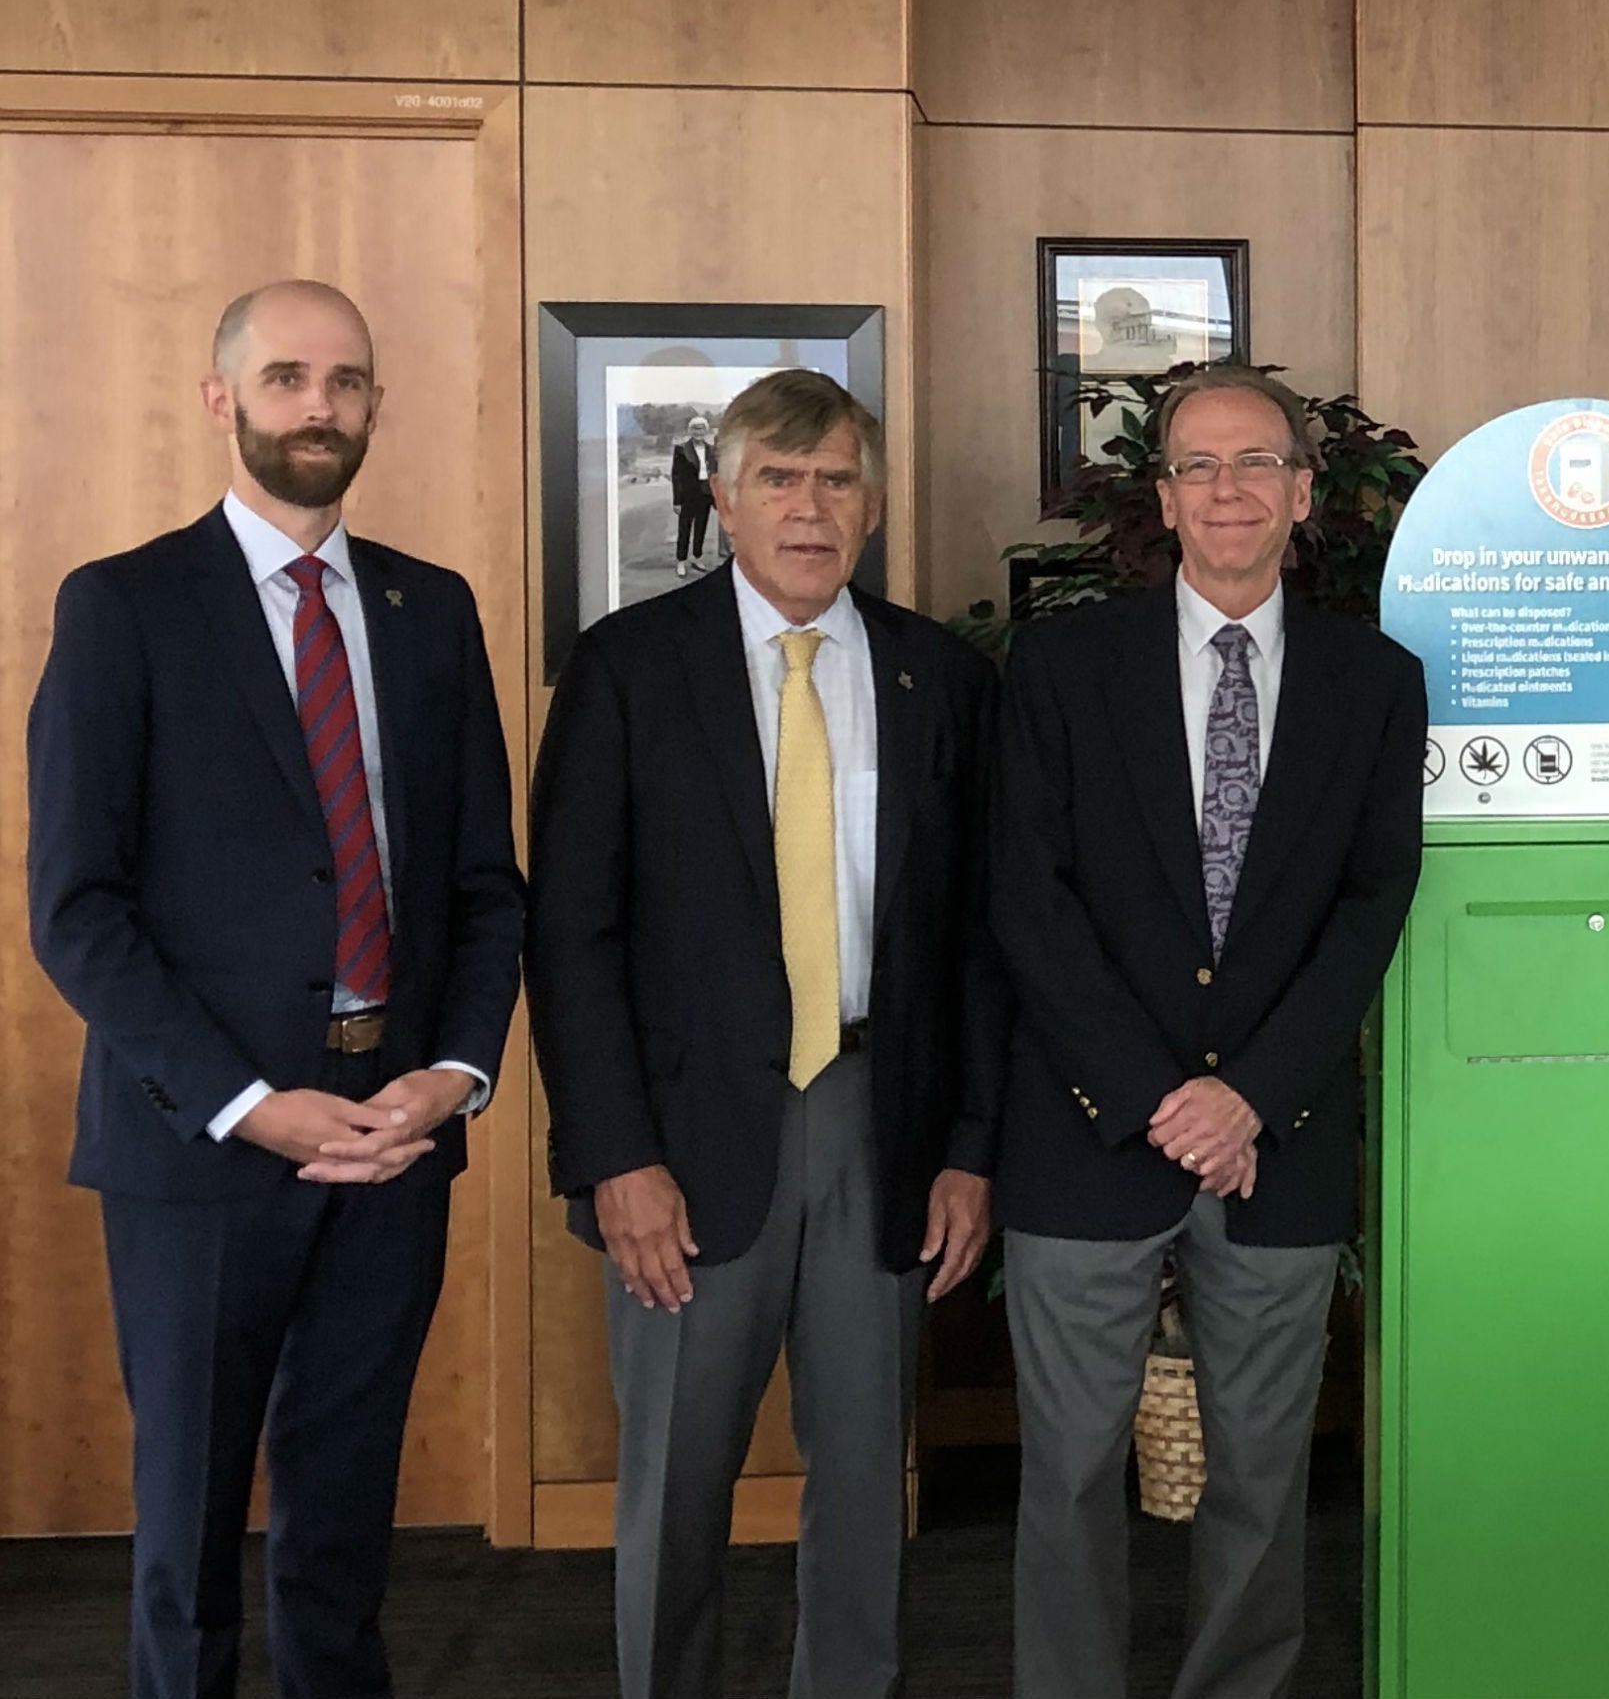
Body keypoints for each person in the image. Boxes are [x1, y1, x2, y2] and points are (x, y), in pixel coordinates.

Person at [27, 280, 526, 1699]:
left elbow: (485, 886)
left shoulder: (431, 610)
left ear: (376, 406)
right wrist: (249, 1102)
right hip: (204, 1147)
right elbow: (78, 910)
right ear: (222, 398)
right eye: (290, 376)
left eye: (349, 380)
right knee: (186, 1528)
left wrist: (458, 1071)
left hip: (395, 1135)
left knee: (345, 1516)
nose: (321, 404)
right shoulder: (123, 606)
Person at [525, 369, 1009, 1699]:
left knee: (864, 1474)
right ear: (724, 500)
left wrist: (968, 1147)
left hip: (880, 1117)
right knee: (676, 1481)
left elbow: (977, 937)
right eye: (780, 480)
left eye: (837, 479)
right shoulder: (630, 666)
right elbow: (571, 932)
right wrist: (612, 1155)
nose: (810, 508)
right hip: (679, 1144)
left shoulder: (940, 678)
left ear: (870, 504)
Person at [992, 364, 1427, 1699]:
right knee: (1066, 1474)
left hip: (1276, 1142)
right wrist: (1152, 1093)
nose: (1227, 488)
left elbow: (1372, 903)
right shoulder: (1064, 664)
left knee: (1261, 1472)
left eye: (1254, 464)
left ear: (1302, 493)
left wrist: (1250, 1094)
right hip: (1086, 1135)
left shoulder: (1375, 680)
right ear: (1164, 497)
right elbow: (1027, 896)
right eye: (1197, 465)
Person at [670, 416, 720, 574]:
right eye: (695, 429)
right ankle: (681, 561)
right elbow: (676, 476)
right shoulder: (681, 450)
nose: (699, 432)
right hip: (688, 495)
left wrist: (716, 496)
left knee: (701, 527)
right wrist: (677, 501)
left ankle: (697, 558)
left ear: (706, 431)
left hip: (705, 494)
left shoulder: (711, 450)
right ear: (690, 431)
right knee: (684, 529)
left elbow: (715, 474)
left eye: (701, 429)